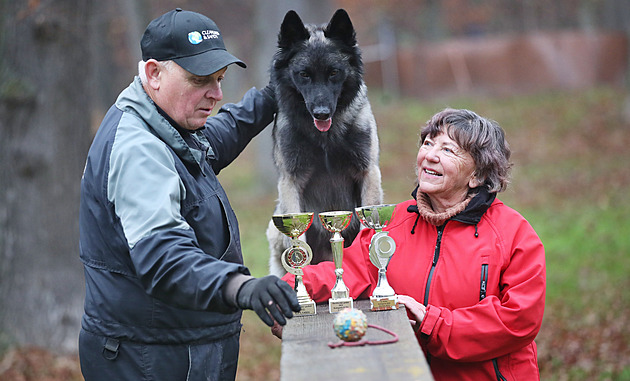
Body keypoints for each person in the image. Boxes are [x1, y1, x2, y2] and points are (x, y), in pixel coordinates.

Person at [79, 9, 300, 381]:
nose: (215, 95)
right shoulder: (139, 149)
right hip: (149, 359)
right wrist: (241, 286)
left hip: (179, 346)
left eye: (220, 79)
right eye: (200, 80)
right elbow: (165, 258)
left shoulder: (166, 124)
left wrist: (271, 97)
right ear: (154, 74)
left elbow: (215, 140)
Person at [280, 108, 546, 380]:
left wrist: (434, 322)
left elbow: (519, 320)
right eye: (428, 143)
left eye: (448, 150)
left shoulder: (513, 234)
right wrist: (289, 289)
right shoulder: (391, 224)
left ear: (477, 175)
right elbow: (345, 273)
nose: (430, 155)